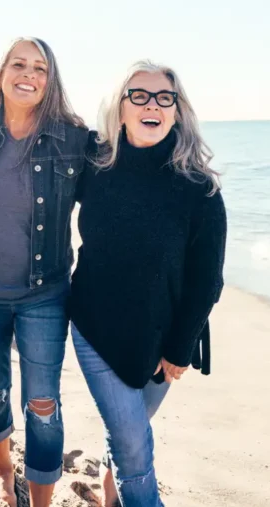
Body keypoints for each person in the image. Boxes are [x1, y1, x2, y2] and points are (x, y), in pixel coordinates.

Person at [70, 61, 227, 507]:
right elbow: (42, 138)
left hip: (163, 340)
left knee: (128, 429)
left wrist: (180, 347)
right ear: (119, 108)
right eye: (138, 95)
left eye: (164, 97)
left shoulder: (199, 189)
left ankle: (107, 490)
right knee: (135, 448)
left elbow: (207, 281)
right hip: (94, 327)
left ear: (178, 112)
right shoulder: (94, 162)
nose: (151, 104)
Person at [0, 37, 88, 507]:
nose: (28, 74)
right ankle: (6, 472)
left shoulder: (74, 139)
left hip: (44, 295)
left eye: (39, 68)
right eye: (19, 64)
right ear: (2, 71)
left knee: (43, 406)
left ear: (51, 81)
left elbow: (118, 198)